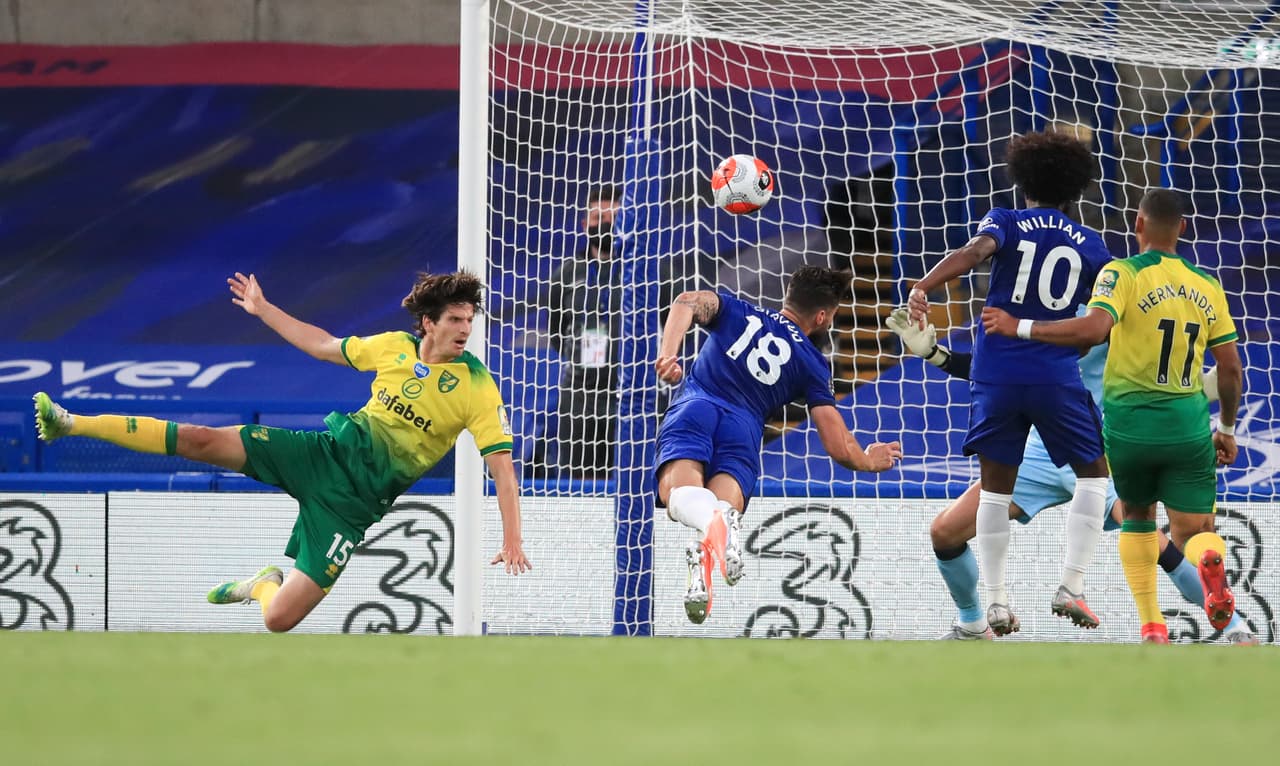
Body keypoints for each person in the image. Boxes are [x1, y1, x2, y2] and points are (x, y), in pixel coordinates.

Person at [33, 270, 530, 632]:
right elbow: (322, 345)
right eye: (457, 319)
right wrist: (262, 308)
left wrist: (512, 539)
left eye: (470, 320)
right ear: (428, 322)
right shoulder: (393, 347)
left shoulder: (478, 389)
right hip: (322, 454)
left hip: (351, 507)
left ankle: (260, 584)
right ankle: (71, 421)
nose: (466, 329)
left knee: (279, 618)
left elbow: (502, 471)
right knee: (200, 440)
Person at [888, 307, 1257, 644]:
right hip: (1039, 453)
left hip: (1102, 453)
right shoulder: (1033, 313)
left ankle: (1233, 625)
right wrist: (933, 354)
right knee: (945, 532)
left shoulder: (1113, 318)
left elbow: (1157, 373)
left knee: (1151, 540)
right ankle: (971, 624)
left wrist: (1197, 390)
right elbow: (994, 370)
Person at [983, 188, 1244, 644]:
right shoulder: (1208, 285)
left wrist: (1019, 326)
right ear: (1182, 228)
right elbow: (1231, 367)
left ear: (1137, 225)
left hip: (1122, 426)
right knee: (1195, 530)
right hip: (1185, 423)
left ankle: (1152, 625)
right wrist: (1225, 427)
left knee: (1140, 521)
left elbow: (1092, 330)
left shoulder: (1119, 276)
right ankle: (1218, 587)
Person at [907, 130, 1114, 636]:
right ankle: (1072, 585)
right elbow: (1096, 323)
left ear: (1023, 182)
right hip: (1052, 374)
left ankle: (996, 604)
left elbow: (974, 251)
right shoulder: (1092, 244)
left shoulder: (1006, 220)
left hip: (997, 373)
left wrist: (923, 286)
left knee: (995, 489)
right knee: (1094, 474)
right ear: (1076, 190)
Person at [654, 265, 902, 624]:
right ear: (821, 316)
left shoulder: (740, 311)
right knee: (723, 506)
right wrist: (866, 459)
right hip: (744, 429)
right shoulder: (814, 364)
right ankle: (706, 554)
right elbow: (836, 443)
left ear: (788, 294)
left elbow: (686, 301)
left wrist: (669, 354)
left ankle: (713, 530)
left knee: (676, 494)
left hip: (698, 405)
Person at [544, 185, 623, 480]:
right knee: (578, 487)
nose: (604, 224)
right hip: (579, 398)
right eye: (597, 216)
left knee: (638, 485)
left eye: (613, 216)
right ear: (584, 223)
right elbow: (556, 332)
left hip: (632, 397)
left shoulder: (645, 272)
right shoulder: (566, 274)